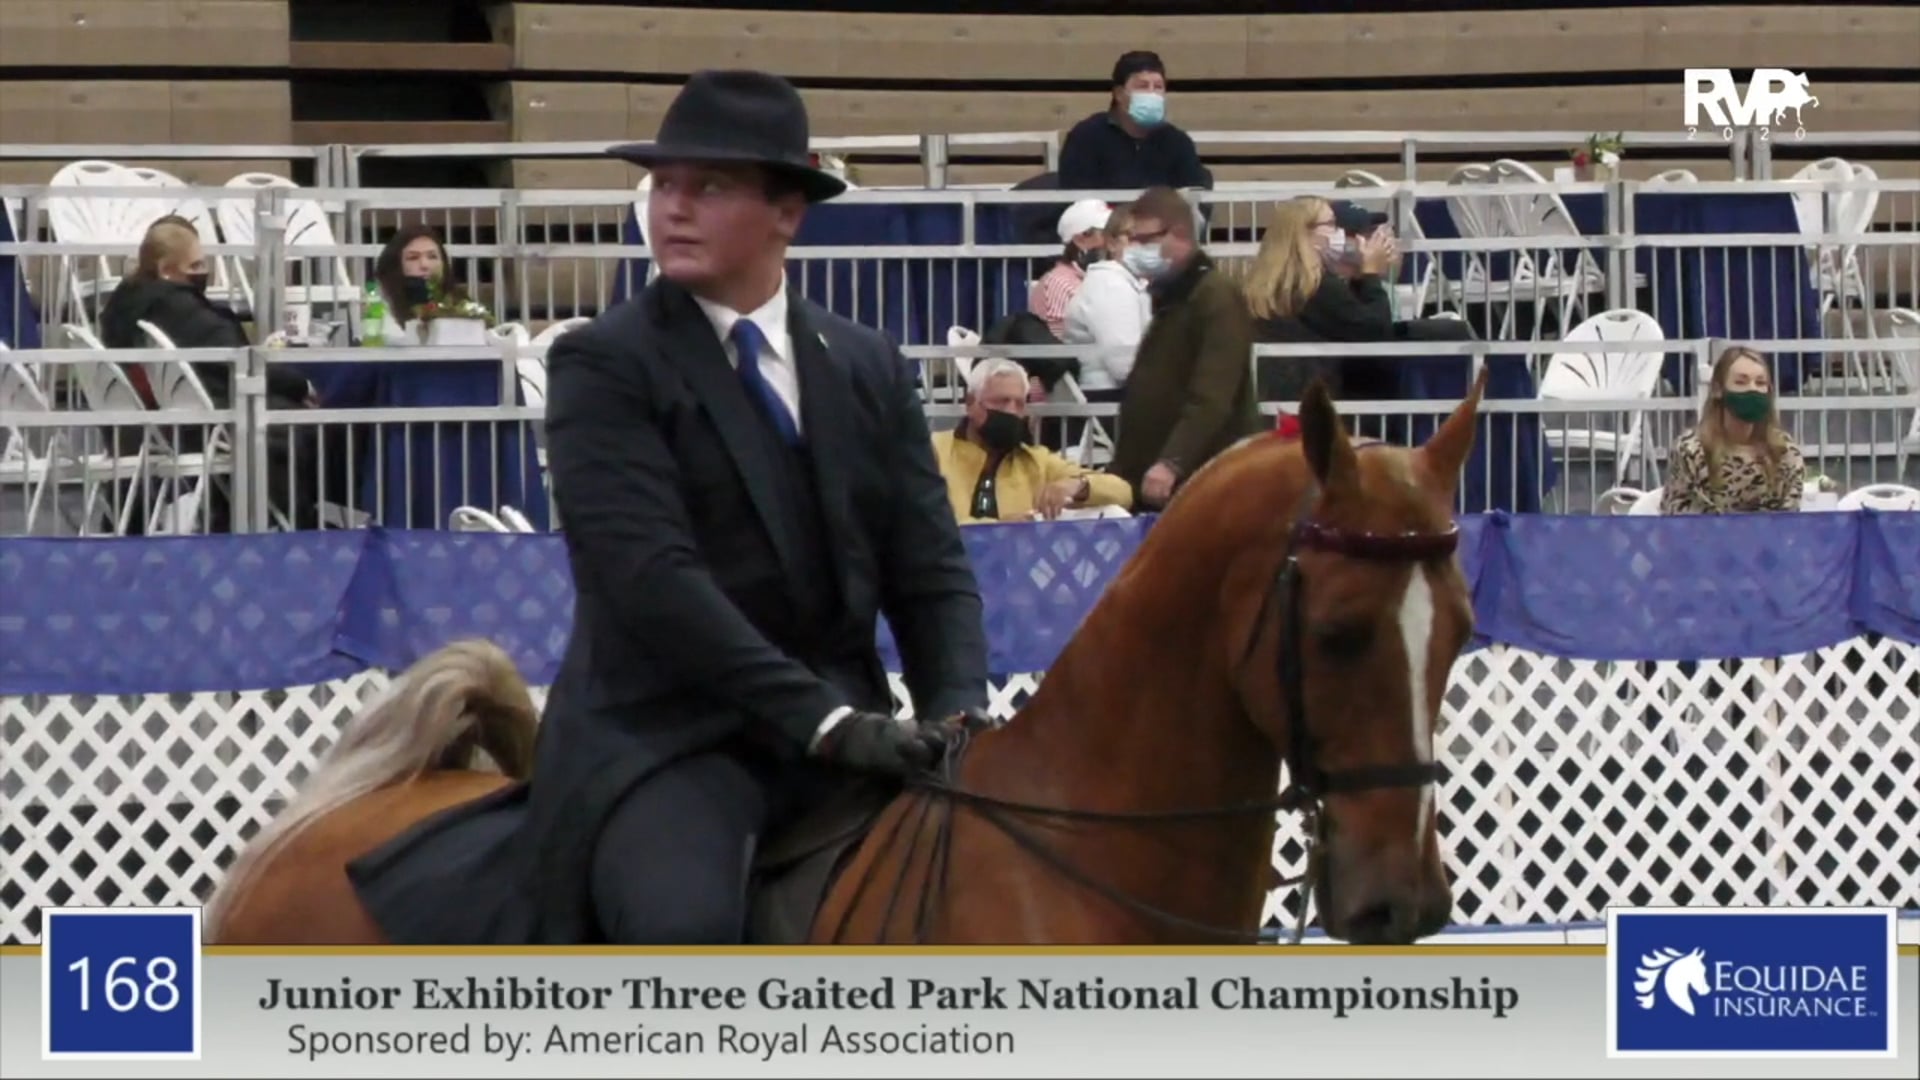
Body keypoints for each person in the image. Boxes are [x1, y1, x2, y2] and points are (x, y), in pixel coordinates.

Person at [345, 69, 993, 947]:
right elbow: (652, 584)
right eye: (664, 185)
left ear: (788, 213)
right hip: (670, 745)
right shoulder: (604, 363)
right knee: (681, 936)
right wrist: (830, 724)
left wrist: (957, 715)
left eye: (710, 187)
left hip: (850, 737)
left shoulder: (866, 362)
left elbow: (930, 567)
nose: (671, 209)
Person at [1105, 186, 1260, 510]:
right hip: (1159, 481)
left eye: (1145, 239)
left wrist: (1171, 462)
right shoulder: (1173, 298)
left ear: (1178, 234)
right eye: (1132, 239)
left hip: (1203, 482)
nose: (1134, 248)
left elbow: (1212, 397)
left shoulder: (1215, 297)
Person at [932, 358, 1133, 523]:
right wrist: (998, 529)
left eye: (1019, 404)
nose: (1011, 411)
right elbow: (922, 523)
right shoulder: (933, 451)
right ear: (970, 404)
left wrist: (1078, 486)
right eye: (1000, 401)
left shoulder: (1035, 461)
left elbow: (1123, 493)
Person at [1661, 346, 1806, 515]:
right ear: (1717, 389)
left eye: (1760, 383)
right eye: (1741, 382)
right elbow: (1675, 519)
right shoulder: (1691, 450)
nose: (1752, 389)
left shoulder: (1785, 452)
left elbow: (1790, 523)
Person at [1058, 51, 1211, 195]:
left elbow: (1194, 194)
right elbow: (1076, 201)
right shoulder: (1086, 137)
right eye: (1142, 86)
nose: (1152, 94)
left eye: (1158, 87)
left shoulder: (1177, 142)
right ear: (1119, 94)